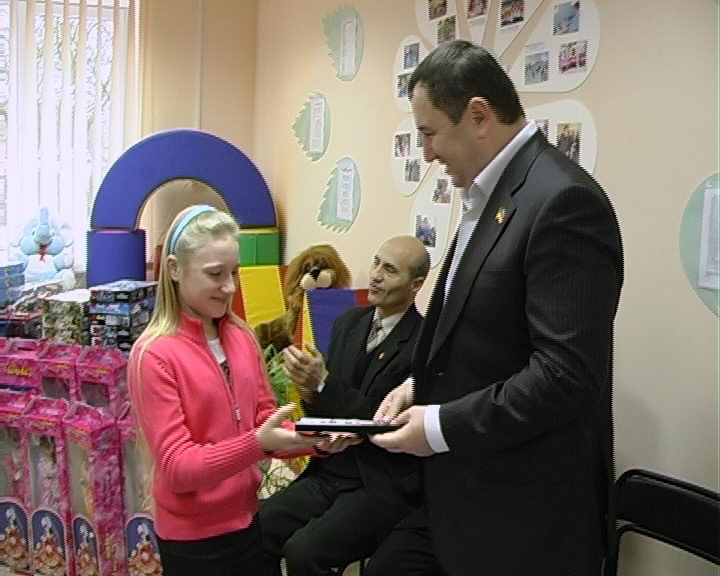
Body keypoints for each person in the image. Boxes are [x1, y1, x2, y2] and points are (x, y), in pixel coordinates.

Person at [369, 40, 623, 576]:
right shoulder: (492, 195)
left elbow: (566, 375)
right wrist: (419, 385)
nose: (427, 153)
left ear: (479, 115)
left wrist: (438, 425)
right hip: (464, 495)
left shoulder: (563, 202)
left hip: (524, 516)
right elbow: (484, 332)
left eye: (430, 133)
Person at [127, 205, 321, 576]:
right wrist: (256, 443)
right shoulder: (153, 355)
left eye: (234, 272)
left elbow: (265, 420)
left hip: (249, 522)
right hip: (194, 543)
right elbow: (177, 468)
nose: (230, 287)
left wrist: (317, 439)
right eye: (215, 274)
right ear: (174, 269)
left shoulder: (241, 336)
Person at [260, 235, 430, 576]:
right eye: (377, 263)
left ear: (416, 284)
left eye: (390, 270)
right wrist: (309, 391)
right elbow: (326, 407)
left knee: (304, 552)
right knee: (259, 525)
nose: (376, 275)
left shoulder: (424, 344)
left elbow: (383, 418)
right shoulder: (348, 323)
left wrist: (323, 383)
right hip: (330, 469)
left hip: (376, 482)